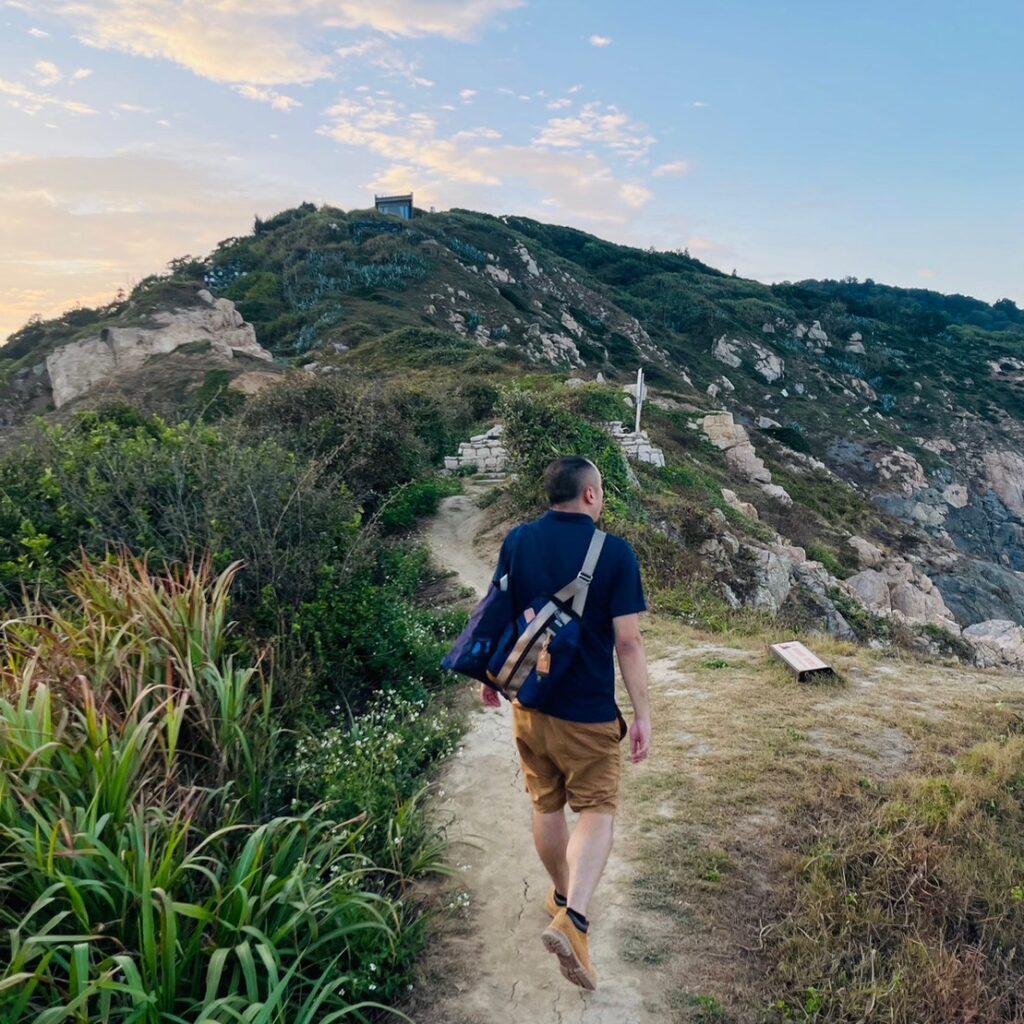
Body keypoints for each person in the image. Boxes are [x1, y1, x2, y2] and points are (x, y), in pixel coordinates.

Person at [481, 455, 651, 991]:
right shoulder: (616, 554)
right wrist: (643, 714)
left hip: (529, 707)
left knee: (545, 804)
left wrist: (489, 674)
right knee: (597, 809)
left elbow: (496, 612)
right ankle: (574, 919)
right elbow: (629, 640)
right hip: (588, 714)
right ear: (592, 496)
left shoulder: (518, 541)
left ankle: (559, 893)